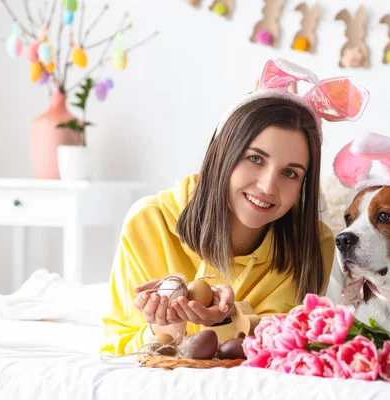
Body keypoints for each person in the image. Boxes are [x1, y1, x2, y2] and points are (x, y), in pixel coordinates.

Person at [100, 58, 369, 355]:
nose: (268, 187)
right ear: (222, 153)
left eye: (290, 173)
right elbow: (115, 347)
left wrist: (229, 319)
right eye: (255, 159)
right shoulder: (149, 223)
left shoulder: (312, 244)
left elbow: (291, 343)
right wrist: (164, 328)